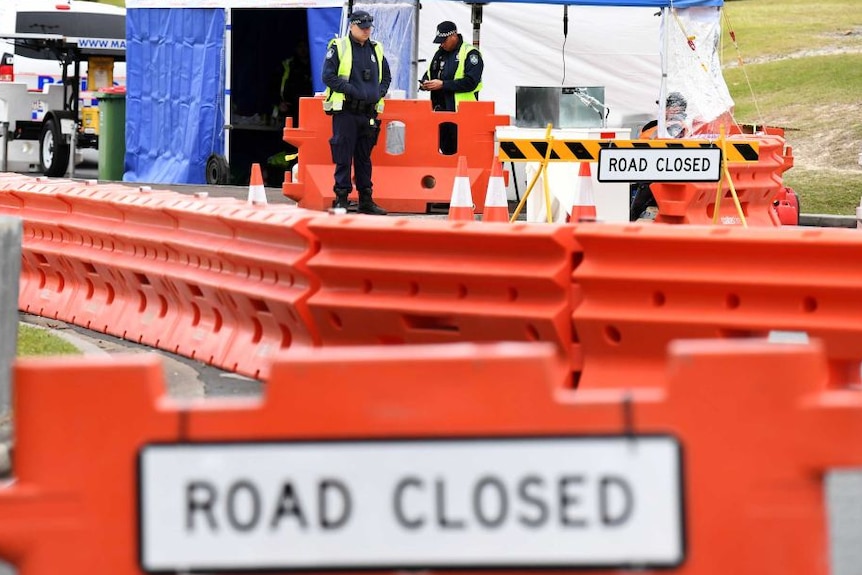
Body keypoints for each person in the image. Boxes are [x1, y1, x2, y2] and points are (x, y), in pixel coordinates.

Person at [321, 10, 391, 215]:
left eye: (369, 27)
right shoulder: (339, 47)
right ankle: (341, 199)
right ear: (352, 26)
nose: (367, 31)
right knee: (343, 156)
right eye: (363, 27)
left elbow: (386, 76)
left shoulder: (376, 48)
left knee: (364, 158)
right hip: (347, 111)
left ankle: (366, 199)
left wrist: (380, 92)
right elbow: (328, 76)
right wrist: (352, 91)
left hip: (368, 113)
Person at [419, 21, 484, 154]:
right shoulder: (440, 53)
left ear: (454, 36)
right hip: (440, 112)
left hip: (462, 114)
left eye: (444, 40)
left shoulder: (470, 53)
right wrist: (425, 83)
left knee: (463, 153)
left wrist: (443, 84)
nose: (441, 44)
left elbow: (471, 82)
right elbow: (431, 72)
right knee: (445, 152)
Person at [629, 91, 690, 221]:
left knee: (637, 206)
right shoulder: (653, 126)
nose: (671, 111)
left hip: (665, 172)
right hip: (648, 168)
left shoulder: (679, 127)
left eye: (676, 109)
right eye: (667, 107)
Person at [273, 39, 313, 128]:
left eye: (305, 46)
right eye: (300, 47)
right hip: (289, 109)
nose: (303, 49)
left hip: (310, 109)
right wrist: (279, 103)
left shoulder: (316, 65)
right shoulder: (288, 65)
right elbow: (274, 86)